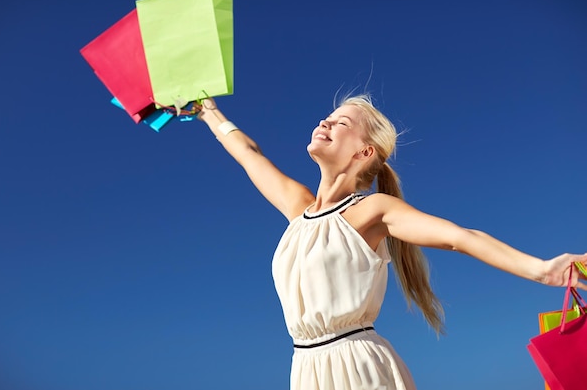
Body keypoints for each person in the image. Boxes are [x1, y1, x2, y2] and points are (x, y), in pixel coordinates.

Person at [196, 94, 587, 390]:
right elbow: (248, 154)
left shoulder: (372, 211)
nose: (325, 122)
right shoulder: (298, 209)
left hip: (358, 365)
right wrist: (205, 109)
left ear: (363, 152)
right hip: (305, 368)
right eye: (327, 117)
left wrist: (541, 270)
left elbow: (459, 237)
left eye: (341, 122)